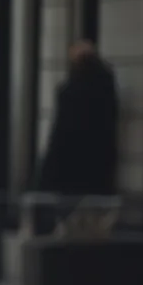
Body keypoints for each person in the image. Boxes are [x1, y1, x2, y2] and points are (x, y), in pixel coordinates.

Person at [34, 40, 119, 196]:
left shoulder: (71, 90)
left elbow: (61, 130)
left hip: (71, 163)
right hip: (97, 163)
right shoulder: (105, 86)